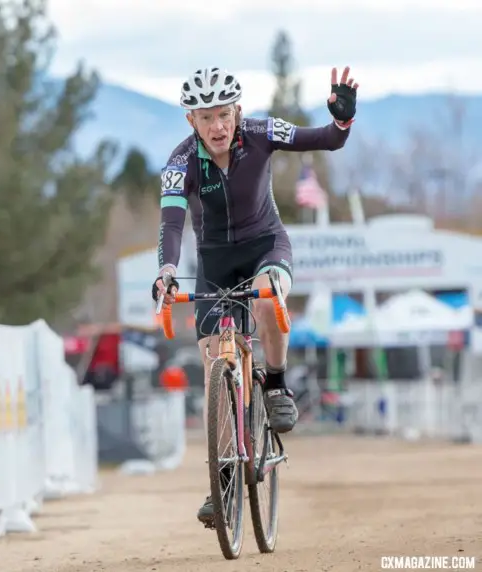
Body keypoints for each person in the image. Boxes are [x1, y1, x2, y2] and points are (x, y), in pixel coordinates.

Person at [151, 66, 358, 525]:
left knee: (267, 298)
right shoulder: (178, 162)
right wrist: (166, 270)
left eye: (224, 114)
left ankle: (278, 384)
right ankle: (223, 483)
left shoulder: (263, 132)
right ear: (192, 122)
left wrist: (342, 120)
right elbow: (170, 224)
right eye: (206, 118)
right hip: (214, 261)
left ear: (238, 112)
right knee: (213, 368)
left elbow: (325, 138)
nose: (217, 126)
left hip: (267, 245)